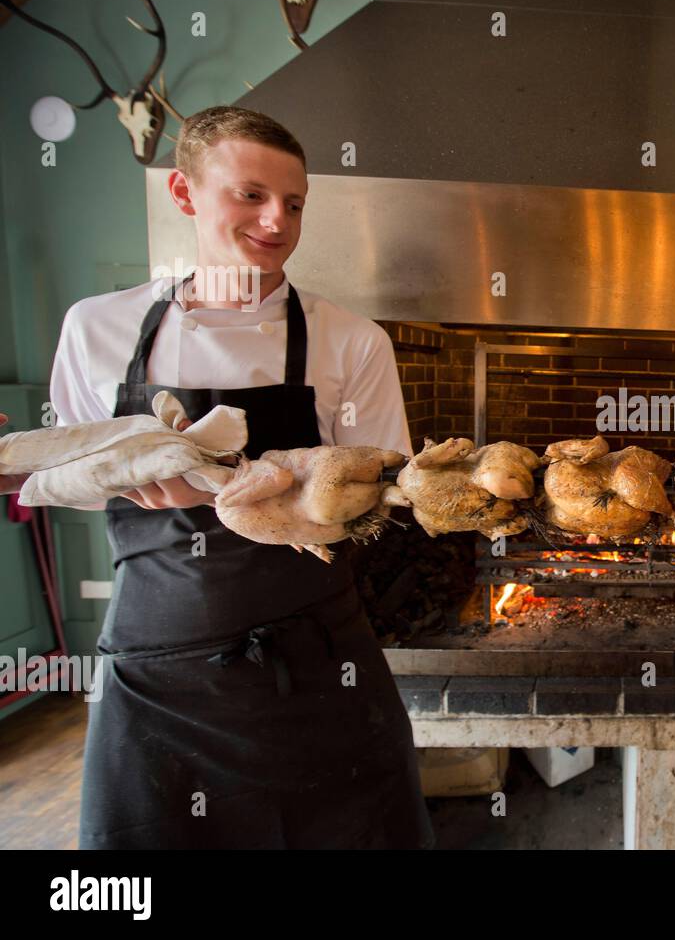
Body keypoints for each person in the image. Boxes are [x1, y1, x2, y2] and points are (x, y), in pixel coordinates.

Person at [49, 106, 434, 849]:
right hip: (158, 677)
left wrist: (282, 489)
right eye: (250, 194)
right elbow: (75, 475)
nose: (276, 219)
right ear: (185, 193)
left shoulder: (350, 341)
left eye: (293, 203)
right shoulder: (96, 327)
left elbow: (387, 504)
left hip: (318, 669)